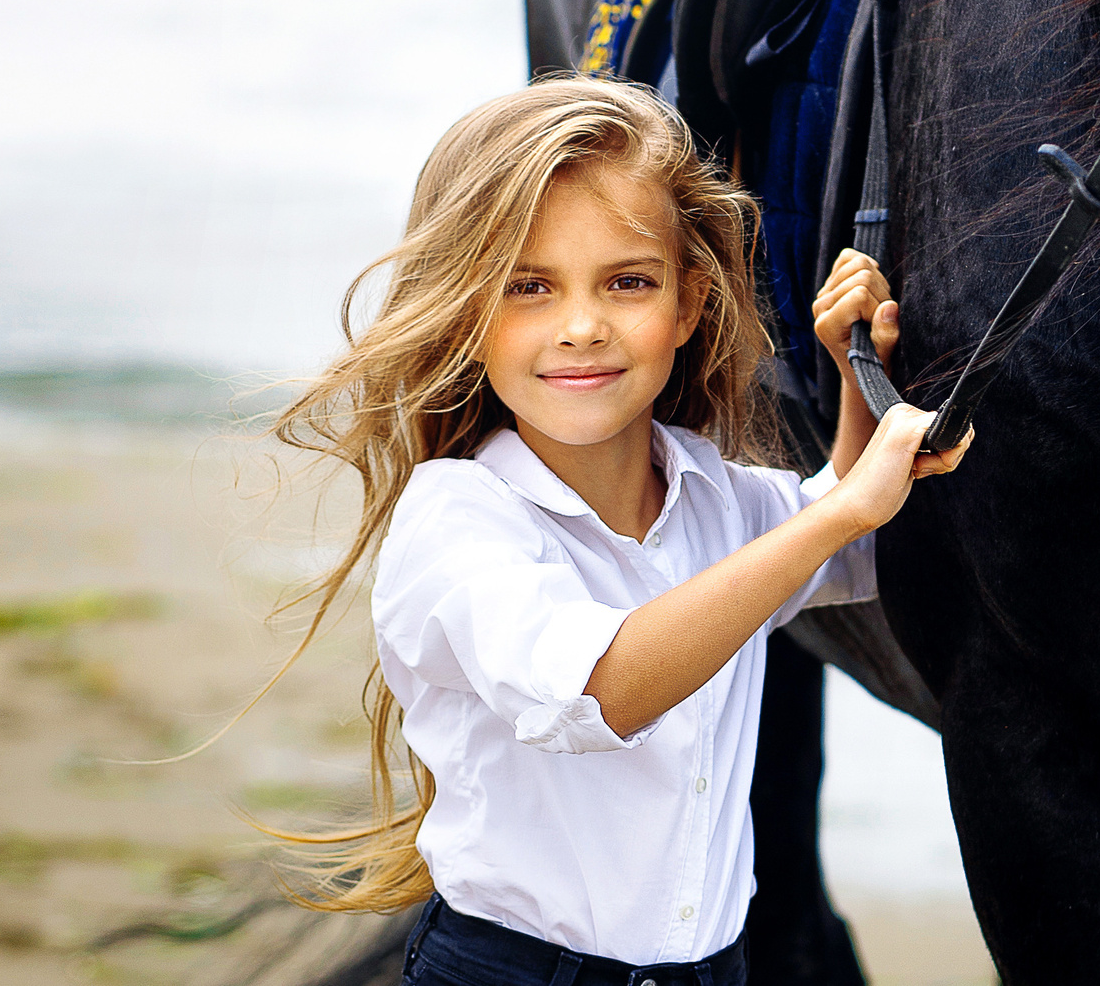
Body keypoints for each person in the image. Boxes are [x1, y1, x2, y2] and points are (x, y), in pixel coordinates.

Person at [267, 75, 968, 986]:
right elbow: (597, 693)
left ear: (688, 304)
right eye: (529, 288)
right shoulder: (457, 518)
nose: (583, 326)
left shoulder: (713, 493)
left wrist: (852, 371)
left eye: (628, 282)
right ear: (468, 313)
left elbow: (846, 549)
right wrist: (841, 507)